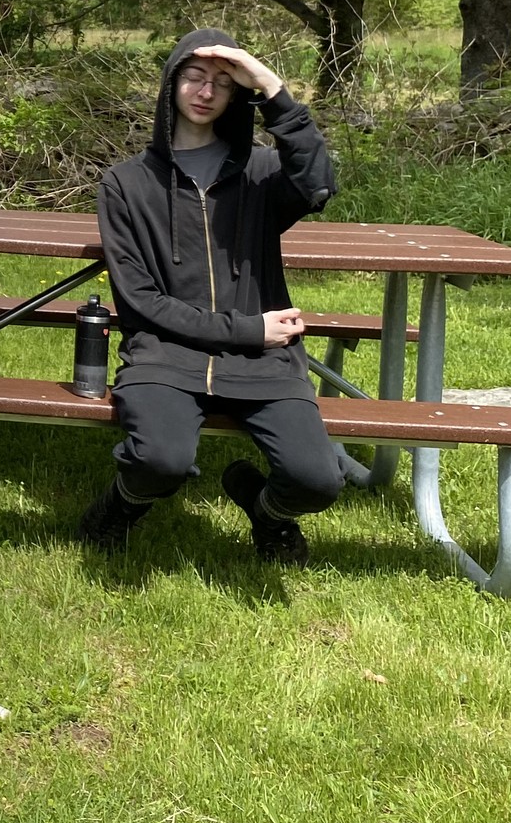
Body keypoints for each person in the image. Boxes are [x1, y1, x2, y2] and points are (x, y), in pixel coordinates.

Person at [76, 29, 342, 562]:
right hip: (167, 354)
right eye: (194, 77)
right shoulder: (126, 183)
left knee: (318, 480)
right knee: (161, 462)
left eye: (223, 83)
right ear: (171, 84)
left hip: (262, 360)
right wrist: (248, 328)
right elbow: (140, 299)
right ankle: (123, 504)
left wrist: (272, 87)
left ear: (238, 95)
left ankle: (268, 512)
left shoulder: (262, 171)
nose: (205, 91)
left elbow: (318, 183)